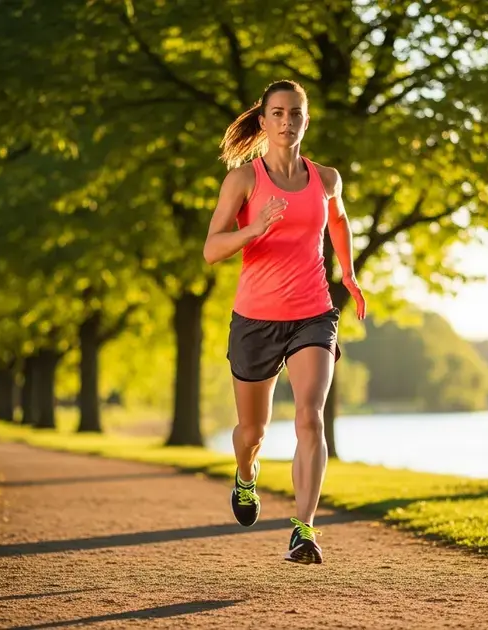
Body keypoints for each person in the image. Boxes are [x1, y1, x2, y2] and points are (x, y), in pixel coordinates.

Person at [202, 79, 367, 565]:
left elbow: (337, 219)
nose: (286, 121)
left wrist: (349, 275)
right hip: (255, 319)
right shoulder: (244, 181)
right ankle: (246, 475)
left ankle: (304, 530)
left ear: (305, 120)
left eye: (295, 113)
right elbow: (212, 250)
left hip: (312, 314)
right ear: (263, 120)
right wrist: (254, 228)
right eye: (277, 113)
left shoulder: (326, 178)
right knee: (252, 431)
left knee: (309, 417)